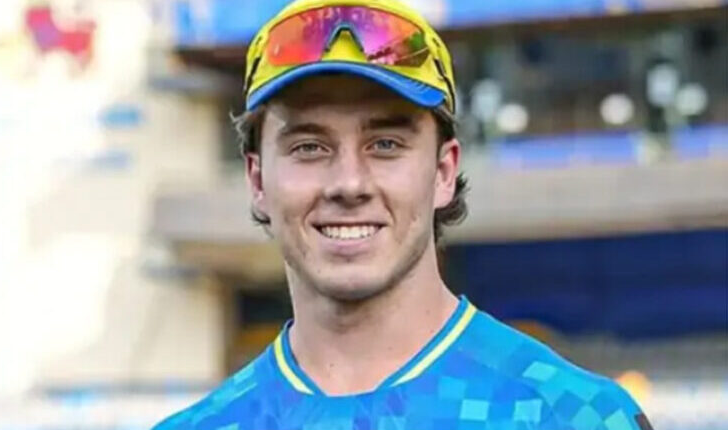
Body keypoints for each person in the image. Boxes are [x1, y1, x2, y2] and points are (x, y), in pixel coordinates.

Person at [154, 0, 652, 429]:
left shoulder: (574, 416)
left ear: (443, 171)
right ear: (258, 180)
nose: (349, 183)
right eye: (309, 147)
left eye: (386, 144)